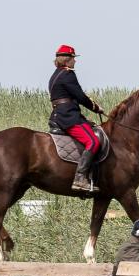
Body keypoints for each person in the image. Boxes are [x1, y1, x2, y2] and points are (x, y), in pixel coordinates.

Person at [49, 45, 105, 192]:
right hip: (68, 117)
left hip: (61, 114)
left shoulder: (56, 74)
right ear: (67, 60)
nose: (75, 61)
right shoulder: (68, 74)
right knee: (93, 141)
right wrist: (95, 108)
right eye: (73, 58)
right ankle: (80, 178)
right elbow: (80, 96)